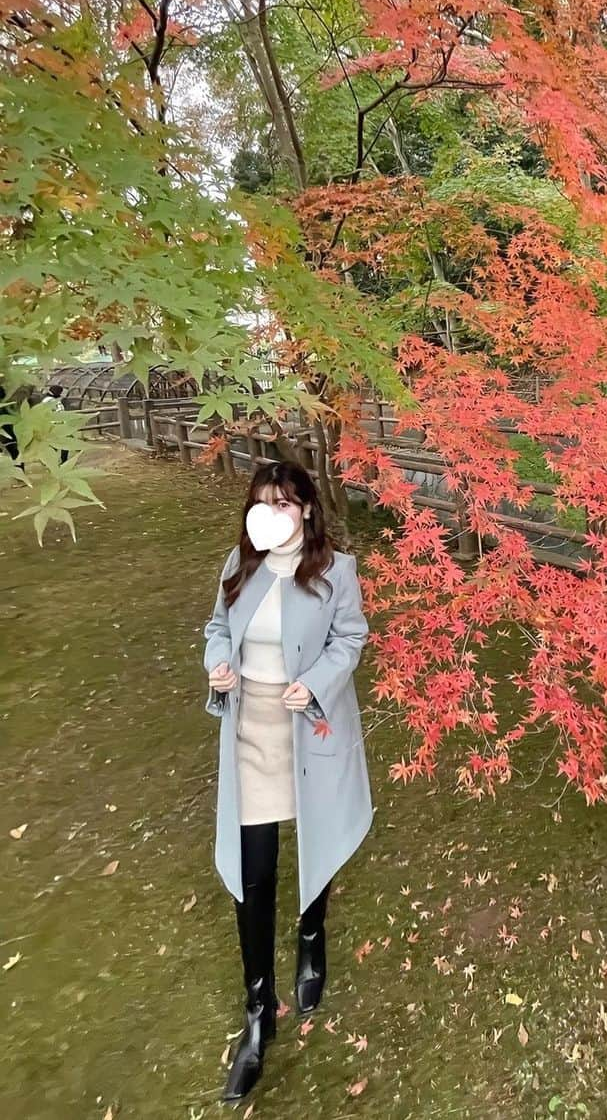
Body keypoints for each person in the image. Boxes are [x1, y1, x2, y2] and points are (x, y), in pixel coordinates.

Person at [202, 461, 374, 1102]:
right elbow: (218, 630)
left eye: (282, 501)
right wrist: (220, 664)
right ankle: (256, 1011)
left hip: (310, 728)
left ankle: (311, 937)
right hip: (251, 735)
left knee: (316, 843)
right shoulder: (237, 566)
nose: (271, 512)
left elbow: (350, 639)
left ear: (304, 508)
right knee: (254, 871)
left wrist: (319, 683)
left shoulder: (336, 573)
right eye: (261, 501)